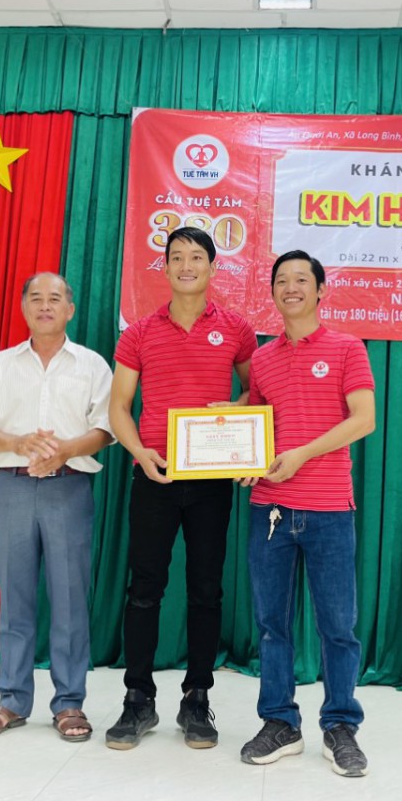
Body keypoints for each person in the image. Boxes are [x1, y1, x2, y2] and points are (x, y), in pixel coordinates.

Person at [106, 227, 257, 750]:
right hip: (156, 474)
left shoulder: (237, 329)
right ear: (165, 267)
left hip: (211, 478)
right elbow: (119, 406)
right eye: (177, 257)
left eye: (197, 257)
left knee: (206, 589)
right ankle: (137, 699)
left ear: (213, 268)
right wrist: (139, 452)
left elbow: (256, 390)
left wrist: (237, 408)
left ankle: (197, 698)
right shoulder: (139, 333)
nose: (187, 265)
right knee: (144, 589)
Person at [237, 250, 376, 778]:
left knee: (338, 627)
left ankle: (340, 726)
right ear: (272, 291)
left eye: (301, 279)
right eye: (281, 280)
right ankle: (280, 722)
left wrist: (302, 454)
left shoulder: (347, 348)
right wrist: (236, 445)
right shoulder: (263, 358)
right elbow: (258, 423)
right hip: (269, 509)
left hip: (329, 510)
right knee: (271, 625)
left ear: (320, 290)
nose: (290, 287)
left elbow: (364, 419)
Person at [0, 272, 113, 742]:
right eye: (36, 298)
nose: (45, 306)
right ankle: (11, 699)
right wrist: (18, 442)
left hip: (69, 489)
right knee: (15, 598)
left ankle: (69, 703)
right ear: (24, 307)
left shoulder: (92, 366)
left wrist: (64, 451)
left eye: (55, 298)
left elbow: (105, 429)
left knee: (70, 599)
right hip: (11, 487)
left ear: (70, 309)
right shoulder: (0, 365)